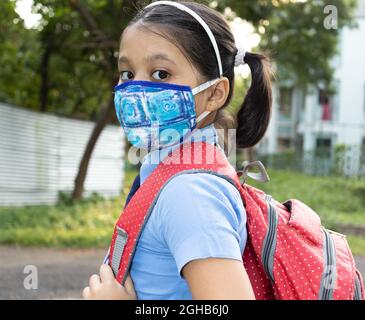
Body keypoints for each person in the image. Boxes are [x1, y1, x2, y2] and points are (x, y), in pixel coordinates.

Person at [82, 0, 273, 300]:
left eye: (160, 74)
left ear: (213, 94)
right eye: (128, 74)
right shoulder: (173, 172)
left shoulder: (190, 191)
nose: (136, 89)